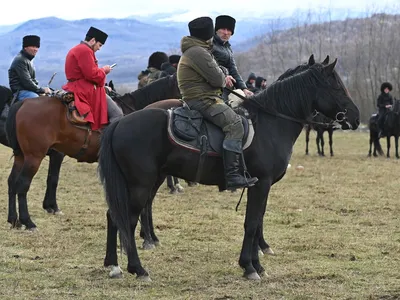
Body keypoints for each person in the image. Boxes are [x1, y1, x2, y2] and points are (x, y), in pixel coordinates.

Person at [177, 16, 258, 189]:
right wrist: (222, 76)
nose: (225, 33)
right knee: (235, 124)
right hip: (204, 99)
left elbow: (218, 71)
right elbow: (216, 77)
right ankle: (232, 175)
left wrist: (225, 76)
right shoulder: (199, 51)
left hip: (204, 96)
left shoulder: (198, 49)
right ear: (209, 33)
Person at [62, 26, 123, 131]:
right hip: (83, 89)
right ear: (93, 40)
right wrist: (104, 70)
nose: (99, 48)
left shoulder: (79, 49)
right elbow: (92, 75)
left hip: (77, 85)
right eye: (99, 45)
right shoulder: (85, 50)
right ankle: (109, 142)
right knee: (117, 114)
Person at [211, 15, 253, 102]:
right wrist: (223, 76)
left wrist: (243, 88)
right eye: (223, 29)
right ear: (217, 30)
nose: (226, 33)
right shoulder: (210, 44)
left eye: (229, 30)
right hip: (213, 88)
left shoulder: (227, 47)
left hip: (226, 87)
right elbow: (209, 64)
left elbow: (233, 69)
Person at [8, 35, 51, 101]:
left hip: (28, 90)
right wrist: (41, 90)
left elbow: (32, 80)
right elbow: (27, 82)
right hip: (20, 92)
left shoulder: (28, 60)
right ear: (25, 47)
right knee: (36, 100)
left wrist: (40, 90)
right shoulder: (20, 60)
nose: (36, 49)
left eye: (37, 47)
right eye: (33, 46)